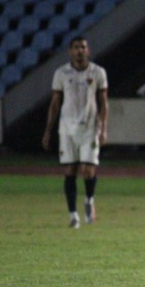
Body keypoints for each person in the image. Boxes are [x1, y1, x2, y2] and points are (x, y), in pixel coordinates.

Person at [42, 36, 109, 229]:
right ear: (70, 51)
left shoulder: (98, 72)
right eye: (76, 47)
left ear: (88, 50)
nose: (80, 50)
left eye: (83, 47)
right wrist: (48, 130)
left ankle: (89, 200)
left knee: (88, 171)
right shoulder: (61, 73)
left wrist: (103, 128)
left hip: (89, 128)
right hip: (67, 129)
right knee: (69, 171)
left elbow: (104, 102)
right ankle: (73, 215)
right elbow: (55, 103)